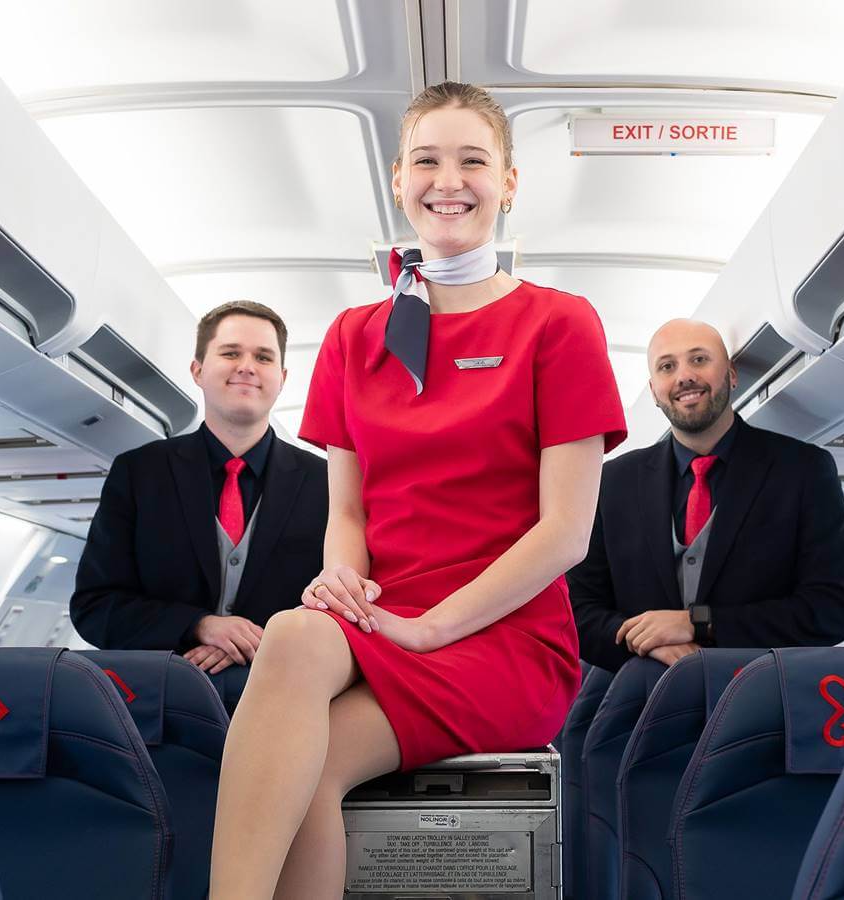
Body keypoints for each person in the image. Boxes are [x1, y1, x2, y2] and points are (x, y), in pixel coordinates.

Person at [207, 81, 627, 899]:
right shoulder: (352, 335)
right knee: (298, 650)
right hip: (381, 612)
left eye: (474, 161)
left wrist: (432, 629)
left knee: (308, 737)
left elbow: (566, 532)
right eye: (427, 160)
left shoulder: (558, 323)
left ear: (508, 184)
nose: (449, 180)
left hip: (501, 634)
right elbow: (350, 511)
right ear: (399, 178)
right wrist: (342, 577)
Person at [568, 317, 844, 673]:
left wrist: (699, 623)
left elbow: (830, 610)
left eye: (699, 359)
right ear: (655, 390)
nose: (684, 376)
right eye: (667, 366)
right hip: (638, 701)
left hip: (758, 700)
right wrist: (646, 644)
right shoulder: (612, 482)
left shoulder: (803, 470)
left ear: (732, 375)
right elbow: (577, 611)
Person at [70, 300, 328, 676]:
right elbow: (94, 606)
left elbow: (338, 608)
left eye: (263, 357)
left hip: (284, 691)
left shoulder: (326, 484)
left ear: (283, 378)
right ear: (197, 370)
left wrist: (257, 642)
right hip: (162, 700)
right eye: (230, 352)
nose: (247, 366)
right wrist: (199, 625)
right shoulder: (139, 473)